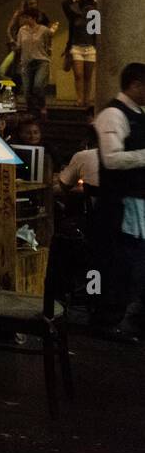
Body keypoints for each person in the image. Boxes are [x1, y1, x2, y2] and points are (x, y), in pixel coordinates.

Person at [94, 63, 145, 342]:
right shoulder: (113, 114)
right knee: (120, 263)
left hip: (137, 200)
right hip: (120, 203)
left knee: (135, 261)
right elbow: (111, 159)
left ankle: (131, 320)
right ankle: (108, 322)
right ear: (135, 85)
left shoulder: (138, 113)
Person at [63, 0, 98, 108]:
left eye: (91, 7)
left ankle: (87, 99)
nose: (89, 10)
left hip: (90, 48)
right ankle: (79, 98)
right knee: (78, 75)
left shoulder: (95, 17)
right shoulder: (75, 16)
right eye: (86, 8)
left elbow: (97, 34)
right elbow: (65, 4)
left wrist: (95, 0)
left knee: (88, 76)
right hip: (76, 47)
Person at [15, 9, 58, 114]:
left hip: (41, 61)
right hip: (26, 62)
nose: (25, 20)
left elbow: (49, 42)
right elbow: (19, 46)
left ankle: (42, 106)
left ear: (33, 18)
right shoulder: (22, 30)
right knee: (26, 90)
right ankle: (31, 111)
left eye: (27, 17)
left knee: (38, 85)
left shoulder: (43, 30)